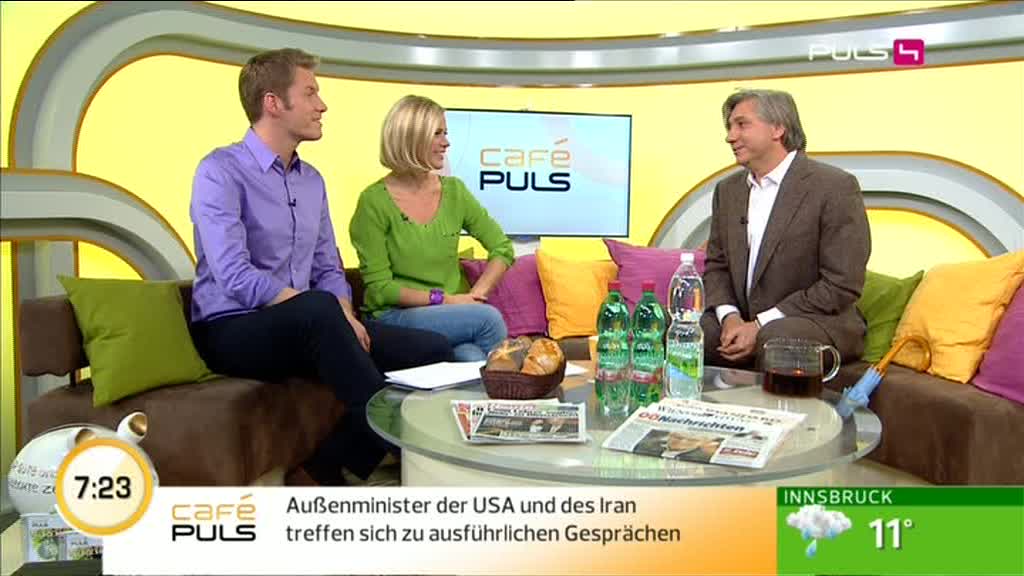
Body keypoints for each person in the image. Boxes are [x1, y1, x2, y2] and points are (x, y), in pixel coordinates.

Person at [188, 49, 453, 485]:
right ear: (273, 103)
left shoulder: (311, 180)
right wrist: (325, 311)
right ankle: (423, 451)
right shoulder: (219, 171)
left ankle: (320, 470)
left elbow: (329, 266)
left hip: (313, 324)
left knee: (431, 351)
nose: (322, 105)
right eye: (310, 93)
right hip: (233, 328)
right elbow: (233, 274)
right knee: (317, 309)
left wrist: (346, 315)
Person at [701, 89, 871, 368]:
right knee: (685, 331)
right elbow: (717, 266)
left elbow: (842, 284)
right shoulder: (728, 191)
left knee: (775, 341)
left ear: (778, 128)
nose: (730, 136)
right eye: (729, 127)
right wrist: (730, 318)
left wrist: (760, 324)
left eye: (742, 124)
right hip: (744, 316)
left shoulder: (834, 187)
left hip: (816, 319)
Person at [350, 95, 514, 362]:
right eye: (437, 133)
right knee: (488, 319)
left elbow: (502, 248)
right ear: (411, 137)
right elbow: (381, 289)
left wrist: (475, 296)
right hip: (394, 316)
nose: (446, 142)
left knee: (471, 357)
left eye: (445, 133)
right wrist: (447, 300)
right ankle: (510, 385)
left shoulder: (455, 191)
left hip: (450, 314)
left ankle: (496, 385)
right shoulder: (373, 202)